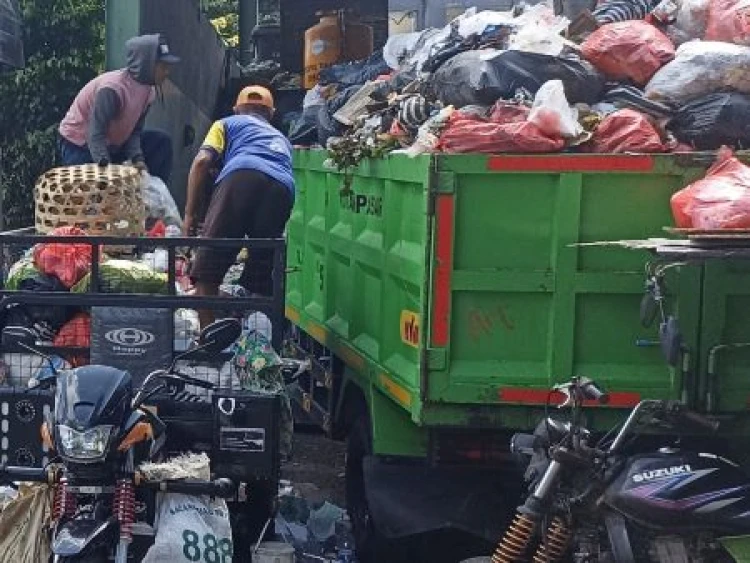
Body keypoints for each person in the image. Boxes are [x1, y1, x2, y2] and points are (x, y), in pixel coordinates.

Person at [185, 85, 295, 328]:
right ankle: (258, 341)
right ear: (272, 114)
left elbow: (203, 162)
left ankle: (209, 343)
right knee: (260, 271)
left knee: (208, 266)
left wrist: (189, 214)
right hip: (283, 188)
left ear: (236, 109)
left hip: (241, 176)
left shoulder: (226, 124)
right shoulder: (281, 139)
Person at [58, 34, 179, 183]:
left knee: (161, 142)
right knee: (96, 193)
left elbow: (134, 132)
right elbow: (94, 135)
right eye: (163, 67)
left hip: (112, 145)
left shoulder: (149, 92)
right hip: (80, 145)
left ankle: (151, 199)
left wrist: (138, 159)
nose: (167, 72)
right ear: (146, 64)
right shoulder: (112, 89)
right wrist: (106, 169)